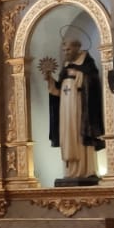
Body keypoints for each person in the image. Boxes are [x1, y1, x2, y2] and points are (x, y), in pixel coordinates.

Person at [43, 34, 104, 184]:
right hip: (65, 108)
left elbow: (93, 84)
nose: (66, 52)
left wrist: (80, 75)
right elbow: (57, 90)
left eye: (69, 49)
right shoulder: (66, 66)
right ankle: (70, 172)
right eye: (64, 50)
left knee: (79, 134)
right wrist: (50, 79)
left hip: (81, 109)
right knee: (67, 134)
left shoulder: (87, 64)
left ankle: (86, 170)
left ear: (77, 48)